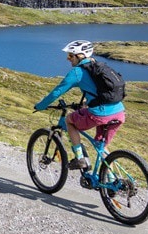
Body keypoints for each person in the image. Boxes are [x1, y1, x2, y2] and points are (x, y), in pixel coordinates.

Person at [33, 40, 125, 171]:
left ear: (80, 56)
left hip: (100, 113)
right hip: (119, 112)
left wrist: (41, 106)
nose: (68, 59)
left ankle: (80, 159)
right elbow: (100, 90)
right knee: (101, 145)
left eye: (71, 56)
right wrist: (86, 103)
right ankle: (112, 179)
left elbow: (57, 92)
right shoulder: (98, 67)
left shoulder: (77, 72)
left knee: (69, 120)